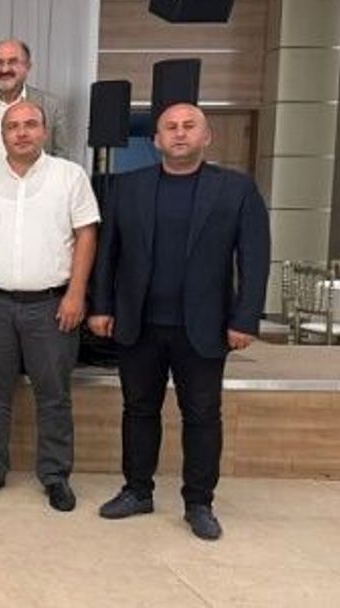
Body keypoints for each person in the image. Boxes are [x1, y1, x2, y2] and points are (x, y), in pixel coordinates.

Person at [90, 103, 270, 541]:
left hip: (204, 325)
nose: (180, 133)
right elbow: (108, 253)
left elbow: (254, 257)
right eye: (170, 127)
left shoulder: (236, 189)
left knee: (203, 415)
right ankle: (137, 490)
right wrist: (101, 307)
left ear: (206, 137)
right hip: (139, 323)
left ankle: (199, 502)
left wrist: (245, 318)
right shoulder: (127, 187)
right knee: (138, 410)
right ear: (157, 140)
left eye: (190, 126)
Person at [0, 100, 99, 512]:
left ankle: (55, 475)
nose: (21, 133)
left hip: (52, 305)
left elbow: (87, 235)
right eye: (13, 126)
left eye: (30, 125)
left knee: (54, 396)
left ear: (44, 131)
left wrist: (76, 293)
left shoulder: (70, 176)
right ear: (2, 135)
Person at [0, 39, 71, 180]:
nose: (5, 69)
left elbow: (61, 159)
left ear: (27, 67)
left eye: (13, 62)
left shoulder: (51, 107)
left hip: (37, 191)